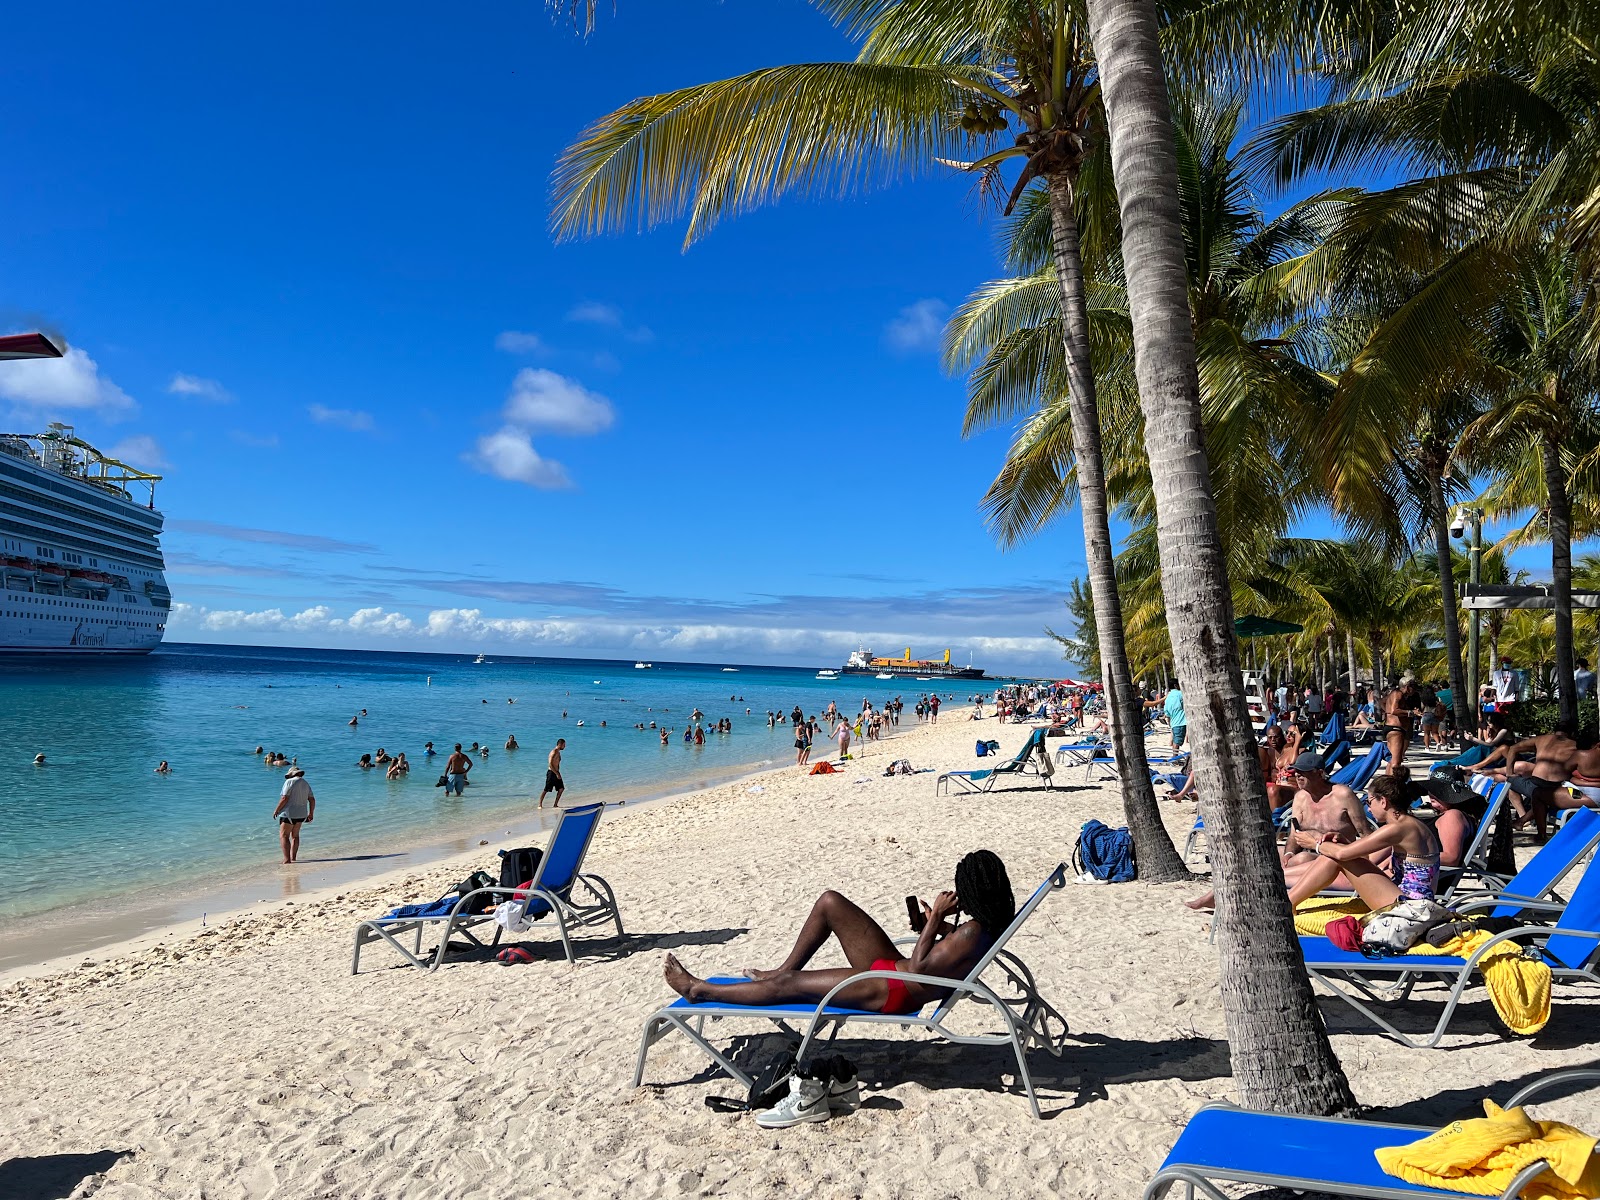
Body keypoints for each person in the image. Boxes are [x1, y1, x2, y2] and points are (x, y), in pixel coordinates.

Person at [663, 850, 1016, 1021]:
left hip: (891, 989)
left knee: (790, 985)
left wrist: (936, 917)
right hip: (893, 972)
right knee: (830, 902)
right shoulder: (982, 927)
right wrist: (934, 927)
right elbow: (948, 956)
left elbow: (922, 969)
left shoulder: (972, 931)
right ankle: (779, 969)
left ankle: (699, 990)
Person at [1187, 751, 1369, 911]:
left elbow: (1365, 833)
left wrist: (1362, 864)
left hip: (1333, 857)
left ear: (1319, 773)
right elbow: (1293, 834)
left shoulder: (1342, 795)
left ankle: (1240, 894)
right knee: (1259, 854)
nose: (1297, 775)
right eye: (1296, 771)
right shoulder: (1301, 798)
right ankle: (1220, 894)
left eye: (1302, 772)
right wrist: (1288, 852)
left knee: (1301, 859)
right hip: (1306, 851)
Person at [1284, 775, 1441, 907]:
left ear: (1383, 801)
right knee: (1334, 854)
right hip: (1414, 899)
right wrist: (1343, 842)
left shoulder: (1397, 828)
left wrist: (1314, 844)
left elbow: (1342, 855)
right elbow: (1363, 858)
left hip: (1410, 906)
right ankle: (1289, 901)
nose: (1369, 809)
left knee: (1334, 857)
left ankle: (1288, 904)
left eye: (1369, 802)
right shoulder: (1410, 824)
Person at [273, 766, 315, 864]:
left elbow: (284, 798)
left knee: (284, 836)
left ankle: (287, 859)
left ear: (292, 774)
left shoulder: (289, 782)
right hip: (301, 814)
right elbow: (312, 799)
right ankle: (293, 857)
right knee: (295, 836)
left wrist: (276, 810)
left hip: (288, 813)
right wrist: (311, 813)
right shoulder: (305, 783)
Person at [1382, 676, 1423, 774]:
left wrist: (1387, 712)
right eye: (1413, 687)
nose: (1414, 690)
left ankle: (1386, 782)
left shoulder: (1394, 694)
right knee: (1396, 762)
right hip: (1396, 729)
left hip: (1392, 727)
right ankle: (1391, 785)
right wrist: (1411, 712)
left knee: (1392, 760)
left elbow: (1382, 702)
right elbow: (1394, 710)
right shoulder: (1398, 694)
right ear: (1408, 686)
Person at [540, 738, 566, 807]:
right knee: (546, 789)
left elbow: (557, 764)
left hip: (557, 772)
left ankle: (555, 804)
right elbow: (550, 764)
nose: (564, 746)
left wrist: (558, 772)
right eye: (564, 745)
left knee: (561, 789)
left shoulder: (558, 752)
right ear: (560, 744)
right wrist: (556, 773)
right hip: (551, 773)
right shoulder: (554, 752)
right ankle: (540, 804)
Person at [1163, 684, 1186, 751]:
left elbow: (1166, 710)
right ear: (1176, 685)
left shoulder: (1168, 696)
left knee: (1176, 739)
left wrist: (1169, 720)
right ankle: (1174, 758)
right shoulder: (1180, 694)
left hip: (1173, 721)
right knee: (1177, 741)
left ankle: (1175, 757)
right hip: (1181, 720)